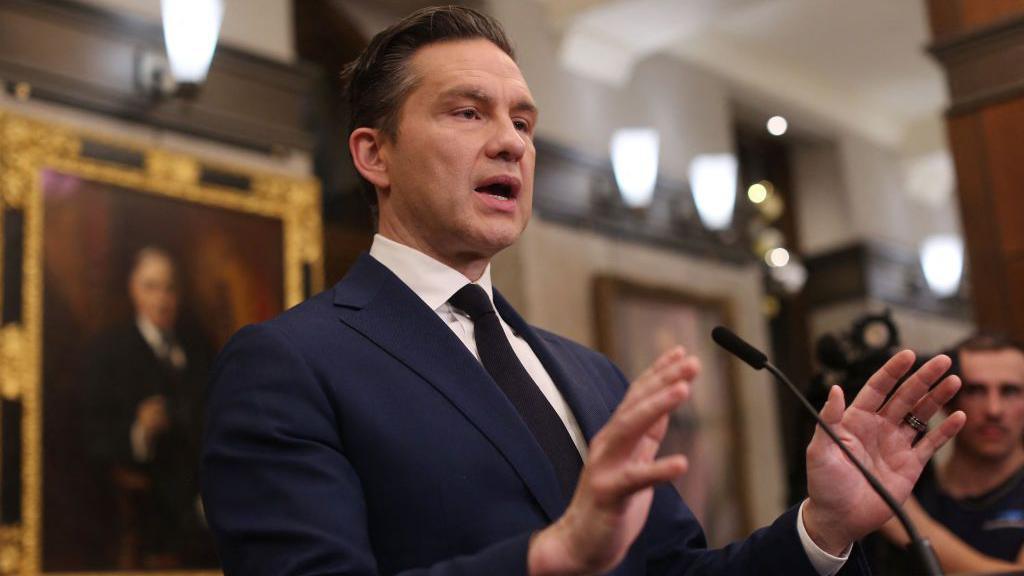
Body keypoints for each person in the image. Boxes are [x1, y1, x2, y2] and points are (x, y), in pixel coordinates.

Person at [200, 7, 965, 575]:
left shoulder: (590, 374)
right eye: (467, 112)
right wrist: (550, 555)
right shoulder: (288, 363)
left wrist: (822, 528)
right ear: (374, 154)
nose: (511, 141)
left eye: (524, 122)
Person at [85, 246, 213, 568]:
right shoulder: (110, 351)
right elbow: (94, 437)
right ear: (133, 289)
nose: (162, 298)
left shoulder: (197, 352)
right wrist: (140, 431)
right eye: (151, 286)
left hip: (203, 495)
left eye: (170, 288)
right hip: (150, 505)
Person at [880, 333, 1024, 573]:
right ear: (947, 400)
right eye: (975, 390)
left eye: (1009, 391)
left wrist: (906, 520)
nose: (994, 410)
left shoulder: (901, 503)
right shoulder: (914, 487)